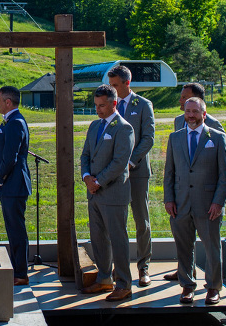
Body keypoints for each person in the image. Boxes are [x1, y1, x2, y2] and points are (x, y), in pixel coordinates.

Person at [163, 97, 226, 305]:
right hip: (180, 204)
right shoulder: (175, 138)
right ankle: (187, 285)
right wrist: (169, 199)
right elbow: (169, 173)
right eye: (187, 111)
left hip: (208, 204)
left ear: (204, 113)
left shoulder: (218, 138)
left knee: (212, 248)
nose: (190, 115)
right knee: (184, 247)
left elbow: (224, 175)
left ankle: (213, 287)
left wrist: (218, 202)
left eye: (195, 111)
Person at [80, 84, 134, 302]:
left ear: (114, 103)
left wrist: (98, 181)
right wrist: (86, 177)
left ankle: (124, 284)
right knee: (98, 238)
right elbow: (85, 155)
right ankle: (104, 279)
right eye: (96, 105)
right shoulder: (94, 126)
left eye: (102, 106)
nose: (98, 110)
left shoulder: (124, 128)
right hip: (94, 194)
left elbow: (120, 162)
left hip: (113, 193)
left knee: (117, 240)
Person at [107, 64, 155, 287]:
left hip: (136, 172)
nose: (113, 90)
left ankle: (143, 267)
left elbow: (148, 138)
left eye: (116, 85)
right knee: (118, 222)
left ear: (128, 82)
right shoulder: (110, 105)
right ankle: (120, 266)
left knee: (141, 221)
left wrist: (130, 162)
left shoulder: (143, 105)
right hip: (114, 175)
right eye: (111, 86)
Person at [0, 86, 31, 286]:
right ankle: (16, 269)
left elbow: (10, 158)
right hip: (9, 186)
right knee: (13, 229)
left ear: (8, 102)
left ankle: (20, 273)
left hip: (14, 185)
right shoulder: (10, 121)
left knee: (16, 230)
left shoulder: (16, 123)